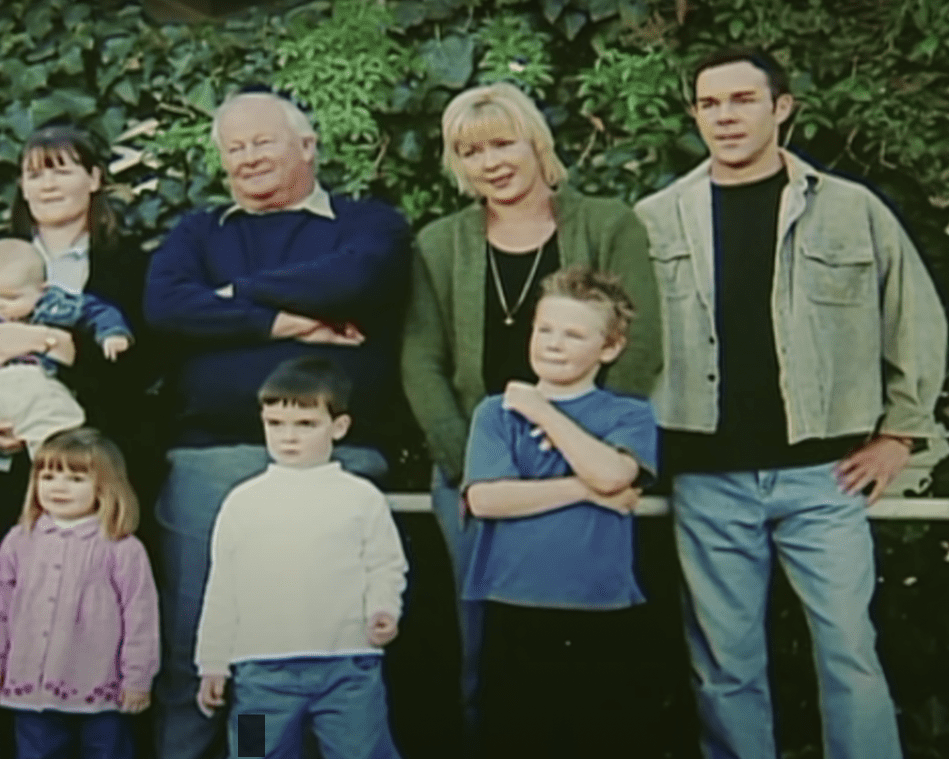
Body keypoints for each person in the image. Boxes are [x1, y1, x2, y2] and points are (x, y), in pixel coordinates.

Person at [634, 46, 945, 759]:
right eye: (709, 104)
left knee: (850, 653)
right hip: (706, 478)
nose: (724, 116)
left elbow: (915, 320)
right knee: (724, 668)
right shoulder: (657, 219)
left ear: (782, 108)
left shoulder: (851, 209)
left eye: (742, 99)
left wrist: (900, 433)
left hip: (825, 477)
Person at [142, 88, 410, 759]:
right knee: (198, 636)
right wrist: (286, 321)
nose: (247, 156)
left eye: (261, 141)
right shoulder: (201, 231)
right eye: (233, 148)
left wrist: (231, 297)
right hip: (212, 458)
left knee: (334, 641)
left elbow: (352, 279)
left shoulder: (366, 223)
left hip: (335, 469)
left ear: (308, 146)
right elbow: (166, 305)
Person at [400, 81, 662, 750]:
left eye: (502, 142)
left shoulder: (607, 223)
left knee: (589, 650)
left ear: (536, 141)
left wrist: (598, 451)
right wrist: (469, 464)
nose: (489, 161)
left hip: (593, 452)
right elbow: (421, 359)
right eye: (470, 150)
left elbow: (642, 344)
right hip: (486, 461)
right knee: (482, 644)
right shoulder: (439, 243)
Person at [461, 266, 658, 758]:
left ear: (609, 348)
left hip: (597, 602)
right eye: (544, 329)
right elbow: (486, 498)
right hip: (514, 597)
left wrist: (544, 412)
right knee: (515, 734)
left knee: (592, 735)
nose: (553, 344)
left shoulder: (628, 414)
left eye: (574, 334)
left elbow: (614, 475)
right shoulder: (495, 412)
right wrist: (583, 490)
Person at [0, 123, 157, 533]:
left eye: (61, 171)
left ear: (94, 179)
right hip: (0, 468)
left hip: (98, 462)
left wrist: (53, 342)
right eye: (35, 174)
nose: (47, 186)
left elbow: (142, 369)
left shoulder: (133, 268)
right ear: (22, 187)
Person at [195, 357, 407, 758]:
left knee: (363, 753)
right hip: (260, 674)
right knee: (253, 753)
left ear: (338, 427)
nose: (288, 437)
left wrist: (384, 609)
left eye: (306, 424)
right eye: (275, 424)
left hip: (348, 668)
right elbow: (222, 586)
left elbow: (385, 565)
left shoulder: (361, 497)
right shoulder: (242, 502)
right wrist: (213, 662)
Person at [0, 427, 159, 759]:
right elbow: (0, 606)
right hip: (31, 687)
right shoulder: (19, 539)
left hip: (100, 687)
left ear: (105, 487)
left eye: (76, 479)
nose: (59, 487)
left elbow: (140, 616)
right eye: (48, 476)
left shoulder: (122, 547)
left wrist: (138, 677)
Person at [0, 238, 132, 456]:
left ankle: (45, 469)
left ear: (42, 290)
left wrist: (112, 334)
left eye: (11, 297)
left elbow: (98, 311)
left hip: (40, 384)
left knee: (55, 431)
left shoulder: (59, 304)